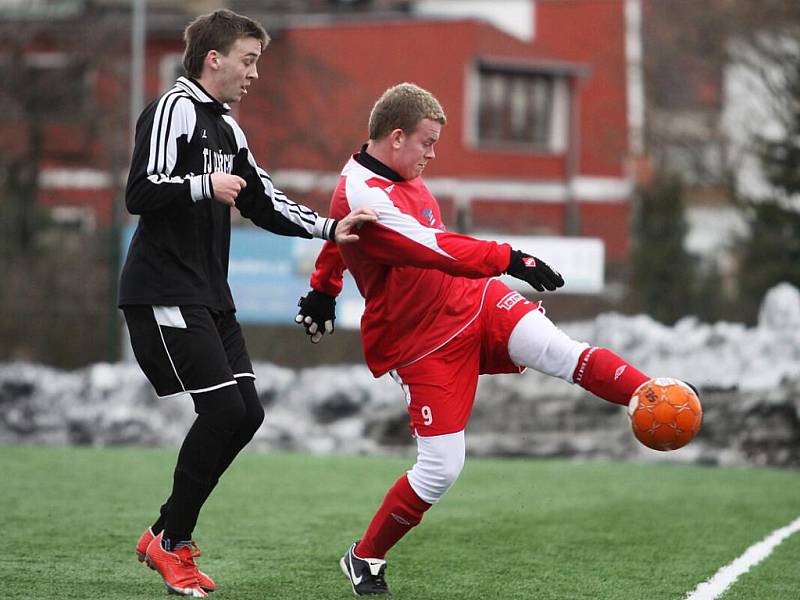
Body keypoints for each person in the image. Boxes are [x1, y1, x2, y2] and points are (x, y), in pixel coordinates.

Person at [295, 82, 698, 596]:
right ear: (395, 138)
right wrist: (509, 258)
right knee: (442, 469)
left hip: (474, 301)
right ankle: (364, 557)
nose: (432, 153)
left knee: (557, 349)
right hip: (422, 345)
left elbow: (339, 231)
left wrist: (323, 288)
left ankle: (652, 396)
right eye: (427, 142)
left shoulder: (392, 176)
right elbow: (427, 243)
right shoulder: (365, 193)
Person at [119, 9, 377, 598]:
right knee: (223, 413)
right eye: (249, 59)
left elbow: (262, 199)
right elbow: (139, 190)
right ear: (215, 58)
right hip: (163, 291)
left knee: (247, 413)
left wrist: (329, 229)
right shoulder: (174, 108)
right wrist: (202, 186)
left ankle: (164, 530)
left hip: (209, 295)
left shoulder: (227, 128)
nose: (254, 73)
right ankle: (172, 541)